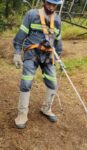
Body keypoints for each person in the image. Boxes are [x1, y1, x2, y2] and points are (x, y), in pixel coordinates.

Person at [13, 0, 63, 129]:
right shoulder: (32, 15)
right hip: (32, 53)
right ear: (43, 2)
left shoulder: (57, 20)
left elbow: (58, 41)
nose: (51, 7)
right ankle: (22, 114)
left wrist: (58, 58)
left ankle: (46, 108)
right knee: (26, 83)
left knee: (53, 83)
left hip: (48, 56)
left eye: (54, 5)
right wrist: (17, 53)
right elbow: (20, 36)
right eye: (49, 4)